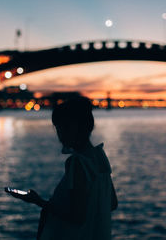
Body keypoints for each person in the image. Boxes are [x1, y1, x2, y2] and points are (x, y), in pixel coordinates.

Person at [6, 96, 118, 240]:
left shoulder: (77, 162)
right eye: (58, 128)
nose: (60, 134)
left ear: (81, 128)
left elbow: (77, 217)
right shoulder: (100, 156)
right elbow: (112, 204)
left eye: (65, 127)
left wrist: (38, 201)